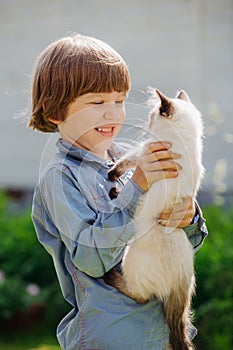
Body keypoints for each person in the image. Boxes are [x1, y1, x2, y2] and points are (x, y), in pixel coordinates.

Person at [29, 33, 207, 350]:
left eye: (120, 101)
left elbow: (184, 243)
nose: (113, 113)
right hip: (113, 337)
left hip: (162, 335)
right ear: (55, 111)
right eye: (98, 102)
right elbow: (93, 259)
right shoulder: (61, 178)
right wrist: (138, 186)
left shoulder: (132, 158)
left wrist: (188, 216)